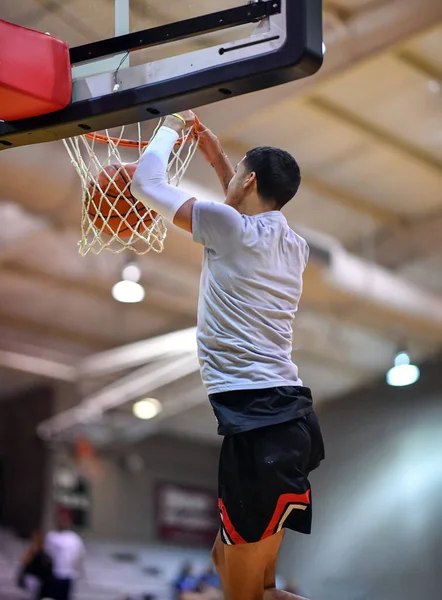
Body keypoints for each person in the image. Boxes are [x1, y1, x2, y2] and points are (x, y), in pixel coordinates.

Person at [131, 112, 325, 600]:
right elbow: (237, 210)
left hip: (260, 424)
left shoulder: (230, 228)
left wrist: (171, 125)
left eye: (237, 172)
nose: (231, 180)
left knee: (242, 595)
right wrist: (218, 158)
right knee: (242, 575)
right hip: (285, 423)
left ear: (251, 180)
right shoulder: (294, 246)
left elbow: (144, 182)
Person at [44, 512, 85, 600]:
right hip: (54, 574)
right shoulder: (52, 537)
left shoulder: (75, 539)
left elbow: (78, 557)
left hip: (68, 575)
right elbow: (47, 554)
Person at [17, 530, 55, 600]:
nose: (34, 543)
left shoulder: (45, 556)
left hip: (41, 584)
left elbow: (47, 573)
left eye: (37, 541)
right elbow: (24, 568)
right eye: (33, 540)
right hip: (30, 581)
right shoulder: (29, 554)